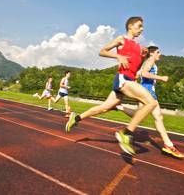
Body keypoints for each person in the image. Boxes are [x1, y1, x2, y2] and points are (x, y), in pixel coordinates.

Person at [65, 17, 157, 155]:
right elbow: (102, 51)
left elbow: (135, 67)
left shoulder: (138, 47)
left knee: (104, 108)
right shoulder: (121, 39)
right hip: (123, 79)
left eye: (142, 26)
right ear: (130, 26)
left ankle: (76, 118)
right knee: (151, 102)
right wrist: (118, 57)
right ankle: (126, 133)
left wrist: (143, 57)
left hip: (129, 80)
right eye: (139, 26)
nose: (142, 29)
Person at [116, 46, 184, 158]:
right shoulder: (150, 60)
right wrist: (161, 78)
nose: (160, 54)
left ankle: (168, 145)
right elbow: (144, 73)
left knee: (153, 117)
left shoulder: (149, 62)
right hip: (147, 93)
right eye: (158, 52)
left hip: (149, 92)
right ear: (152, 53)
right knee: (146, 116)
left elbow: (138, 74)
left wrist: (135, 79)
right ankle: (121, 117)